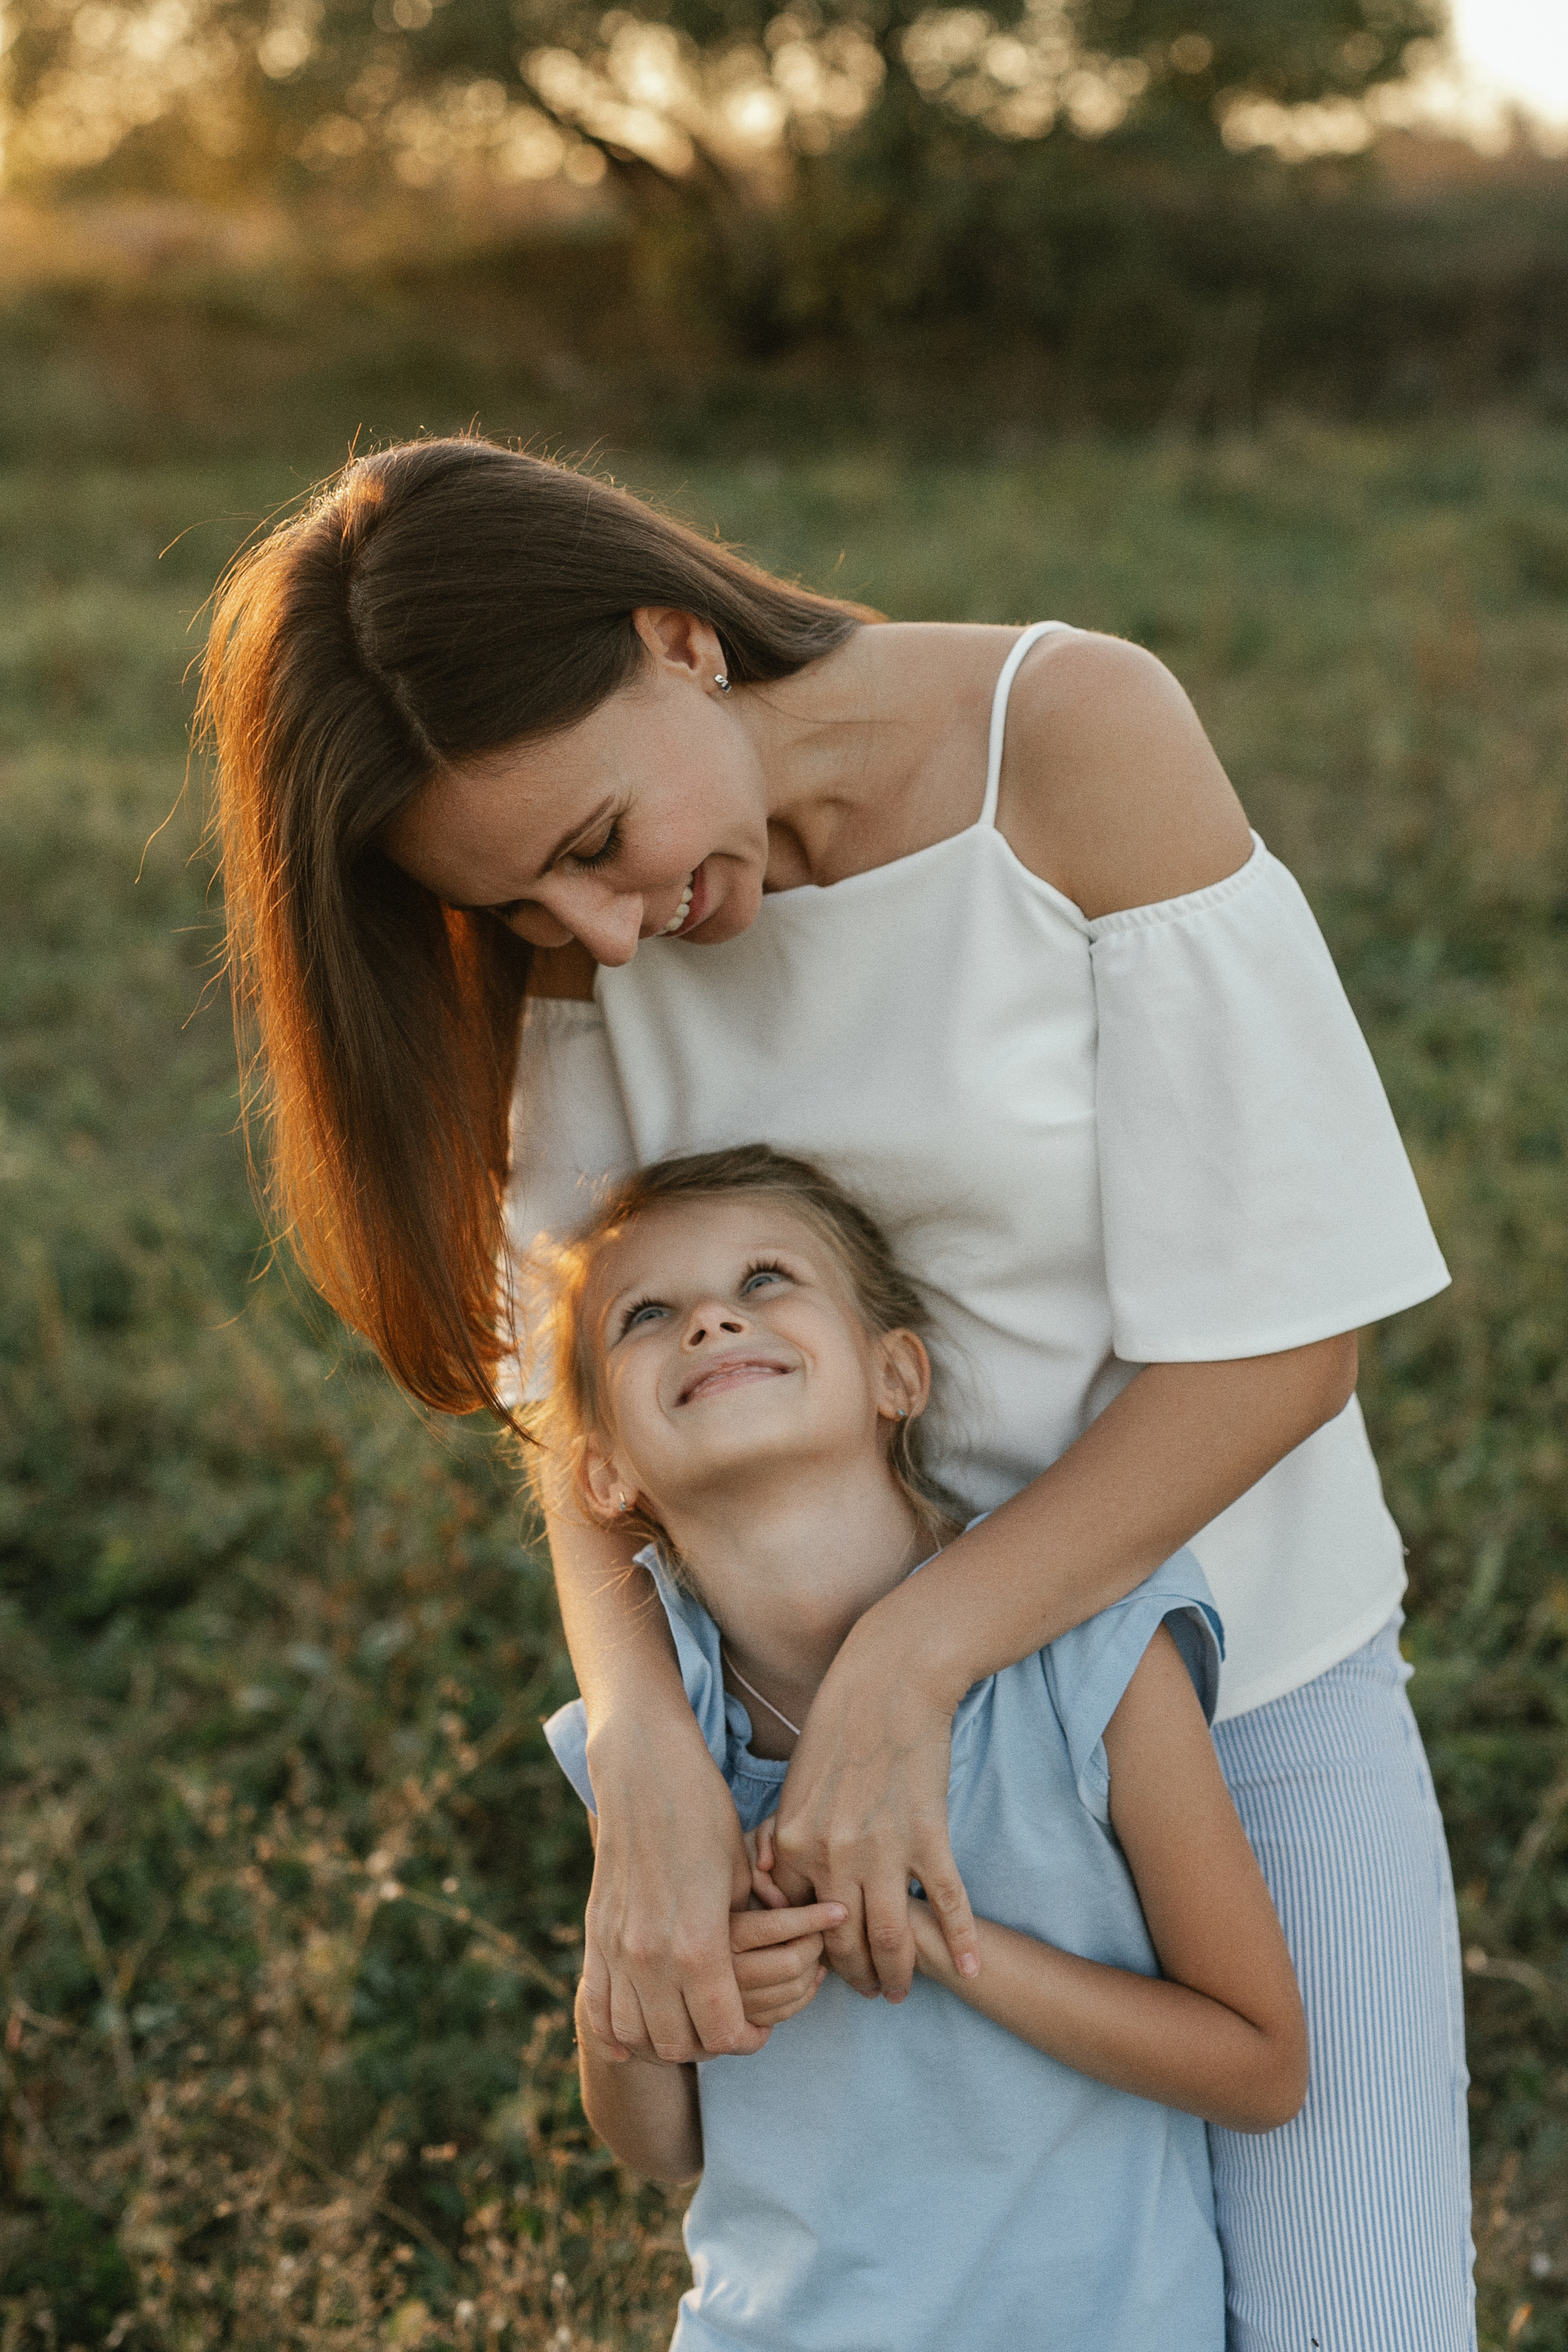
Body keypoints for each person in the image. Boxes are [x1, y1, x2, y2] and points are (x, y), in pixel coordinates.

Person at [202, 434, 1475, 2349]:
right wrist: (646, 1754)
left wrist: (918, 1661)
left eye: (594, 845)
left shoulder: (1071, 737)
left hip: (1244, 1686)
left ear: (676, 640)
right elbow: (574, 1408)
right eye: (532, 908)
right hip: (800, 1751)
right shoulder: (558, 935)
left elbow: (1286, 1338)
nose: (604, 935)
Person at [534, 1145, 1308, 2351]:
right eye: (646, 1315)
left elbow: (1258, 2068)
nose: (711, 1321)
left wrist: (939, 1947)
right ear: (600, 1473)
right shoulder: (659, 1741)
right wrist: (656, 1992)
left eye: (765, 1279)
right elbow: (658, 2144)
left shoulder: (1088, 1660)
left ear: (896, 1373)